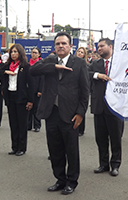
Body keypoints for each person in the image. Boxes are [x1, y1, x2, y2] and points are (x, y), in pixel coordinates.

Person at [30, 32, 89, 195]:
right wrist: (54, 67)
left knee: (71, 149)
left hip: (70, 114)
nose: (61, 46)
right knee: (54, 149)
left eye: (64, 43)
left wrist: (80, 113)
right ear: (54, 47)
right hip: (51, 113)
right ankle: (60, 179)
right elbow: (33, 70)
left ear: (71, 46)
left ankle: (71, 181)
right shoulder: (49, 61)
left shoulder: (79, 63)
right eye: (58, 44)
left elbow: (85, 91)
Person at [89, 38, 124, 177]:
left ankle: (115, 164)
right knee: (101, 138)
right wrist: (98, 75)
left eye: (102, 46)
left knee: (115, 138)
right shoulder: (95, 63)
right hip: (99, 105)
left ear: (110, 46)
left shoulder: (120, 63)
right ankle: (103, 164)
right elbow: (86, 73)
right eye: (98, 46)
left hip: (115, 107)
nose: (99, 48)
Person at [0, 44, 34, 156]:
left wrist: (30, 100)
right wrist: (6, 72)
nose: (14, 54)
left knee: (22, 124)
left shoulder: (25, 66)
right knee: (13, 123)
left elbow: (31, 85)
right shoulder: (7, 65)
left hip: (22, 97)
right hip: (10, 96)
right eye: (12, 52)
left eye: (16, 52)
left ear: (20, 53)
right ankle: (14, 147)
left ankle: (22, 147)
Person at [28, 47, 43, 132]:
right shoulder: (28, 64)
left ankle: (37, 125)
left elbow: (42, 79)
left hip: (37, 90)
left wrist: (40, 90)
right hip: (29, 89)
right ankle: (28, 125)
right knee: (29, 108)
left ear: (39, 54)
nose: (34, 54)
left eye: (35, 53)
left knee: (37, 109)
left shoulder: (40, 64)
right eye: (33, 52)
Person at [75, 46, 89, 136]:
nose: (80, 53)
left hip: (81, 90)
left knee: (81, 110)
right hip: (73, 90)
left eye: (82, 52)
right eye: (78, 51)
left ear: (84, 55)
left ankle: (81, 129)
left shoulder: (85, 64)